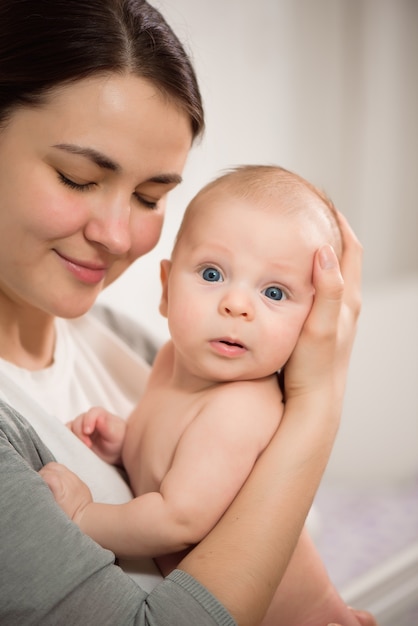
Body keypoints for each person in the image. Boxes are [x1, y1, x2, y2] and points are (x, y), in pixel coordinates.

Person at [0, 0, 376, 624]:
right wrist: (317, 406)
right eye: (77, 178)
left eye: (151, 196)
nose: (119, 237)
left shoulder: (129, 341)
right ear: (174, 283)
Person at [43, 164, 366, 626]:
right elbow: (177, 453)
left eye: (274, 291)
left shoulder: (241, 407)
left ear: (313, 325)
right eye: (213, 274)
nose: (236, 305)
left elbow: (178, 520)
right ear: (165, 289)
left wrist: (84, 516)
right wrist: (127, 441)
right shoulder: (171, 361)